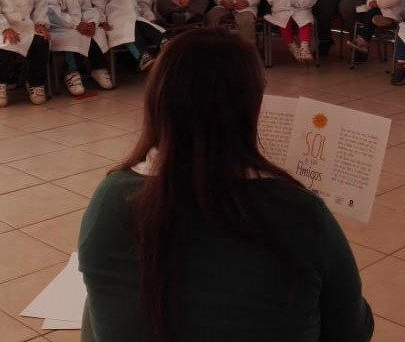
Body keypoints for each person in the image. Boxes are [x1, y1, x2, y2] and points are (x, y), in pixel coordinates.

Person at [77, 28, 374, 342]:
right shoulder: (301, 212)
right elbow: (352, 330)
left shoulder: (111, 201)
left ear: (157, 100)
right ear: (251, 104)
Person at [45, 0, 113, 93]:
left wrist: (92, 23)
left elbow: (87, 8)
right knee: (72, 37)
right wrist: (77, 24)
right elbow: (54, 15)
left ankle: (98, 69)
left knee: (98, 33)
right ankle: (71, 72)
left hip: (82, 25)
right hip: (61, 29)